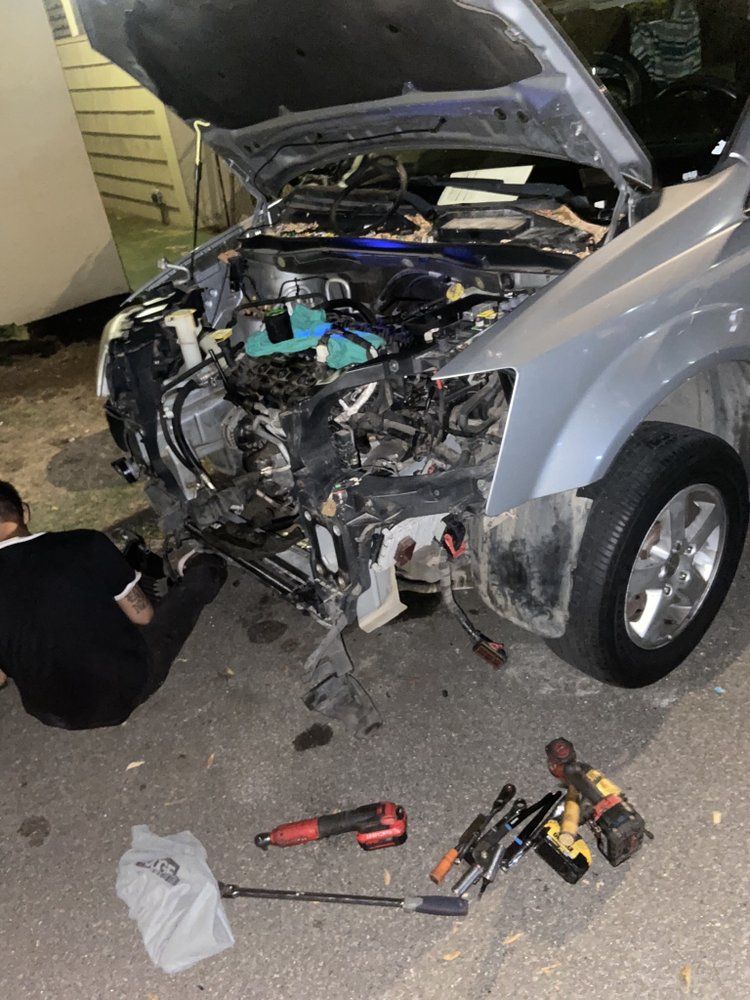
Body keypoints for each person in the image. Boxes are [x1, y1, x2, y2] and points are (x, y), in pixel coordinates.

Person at [0, 480, 227, 729]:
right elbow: (144, 617)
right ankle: (203, 567)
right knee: (200, 581)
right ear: (25, 511)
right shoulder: (84, 543)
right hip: (125, 688)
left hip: (51, 713)